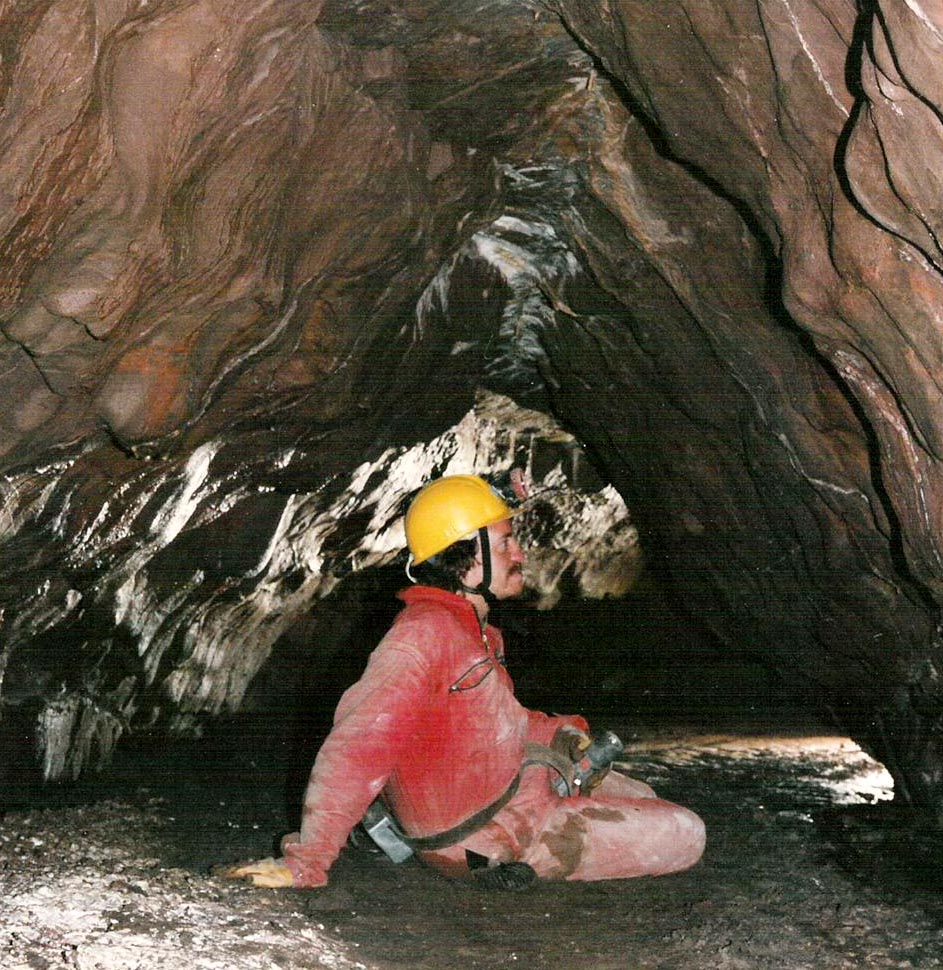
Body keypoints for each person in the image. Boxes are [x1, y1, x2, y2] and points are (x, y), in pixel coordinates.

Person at [219, 473, 705, 890]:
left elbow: (491, 722)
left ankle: (530, 837)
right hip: (485, 836)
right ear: (465, 559)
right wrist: (308, 861)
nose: (519, 553)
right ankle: (498, 868)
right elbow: (358, 744)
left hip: (520, 789)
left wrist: (563, 733)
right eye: (505, 541)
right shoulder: (423, 635)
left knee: (640, 795)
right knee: (685, 833)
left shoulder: (471, 631)